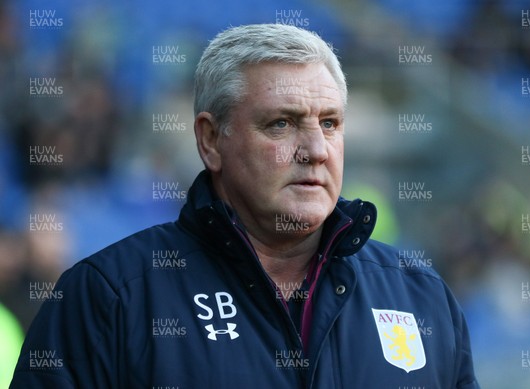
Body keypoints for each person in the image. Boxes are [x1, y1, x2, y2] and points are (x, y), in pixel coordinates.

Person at [10, 23, 479, 388]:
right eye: (281, 124)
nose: (316, 149)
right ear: (211, 139)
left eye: (331, 123)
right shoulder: (111, 296)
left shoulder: (422, 298)